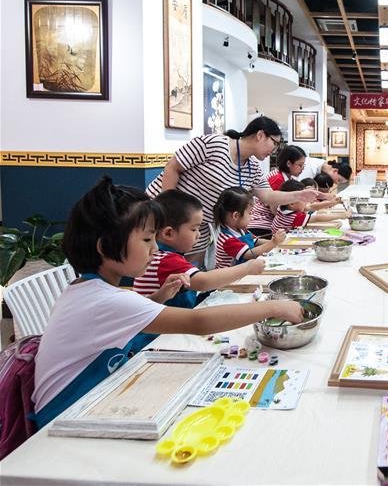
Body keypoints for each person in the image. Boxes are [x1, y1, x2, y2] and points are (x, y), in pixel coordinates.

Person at [31, 177, 303, 428]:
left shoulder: (88, 289)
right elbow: (199, 322)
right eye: (147, 239)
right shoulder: (106, 300)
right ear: (104, 247)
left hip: (92, 395)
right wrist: (275, 307)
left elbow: (124, 318)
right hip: (64, 413)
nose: (155, 248)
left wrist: (158, 298)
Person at [147, 117, 327, 256]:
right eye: (275, 143)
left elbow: (267, 196)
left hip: (198, 226)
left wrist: (300, 195)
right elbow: (173, 167)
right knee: (154, 268)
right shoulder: (214, 144)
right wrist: (167, 211)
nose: (275, 150)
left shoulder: (252, 167)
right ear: (260, 135)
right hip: (163, 216)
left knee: (185, 280)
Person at [133, 190, 266, 306]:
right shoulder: (166, 259)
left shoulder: (166, 255)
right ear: (169, 233)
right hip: (158, 334)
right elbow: (203, 281)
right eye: (194, 229)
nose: (199, 234)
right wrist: (248, 268)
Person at [214, 187, 285, 269]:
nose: (252, 217)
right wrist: (273, 243)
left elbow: (256, 241)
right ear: (236, 216)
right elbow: (250, 254)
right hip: (229, 279)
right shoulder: (227, 240)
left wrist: (277, 242)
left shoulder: (241, 230)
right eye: (250, 213)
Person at [248, 145, 308, 236]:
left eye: (304, 165)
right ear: (288, 164)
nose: (303, 168)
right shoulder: (277, 179)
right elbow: (275, 209)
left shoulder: (286, 177)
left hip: (269, 223)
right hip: (261, 224)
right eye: (300, 165)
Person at [271, 180, 349, 232]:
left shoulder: (283, 207)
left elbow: (311, 207)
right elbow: (317, 218)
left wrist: (332, 203)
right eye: (303, 198)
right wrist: (342, 215)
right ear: (291, 203)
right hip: (282, 242)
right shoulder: (293, 217)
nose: (306, 201)